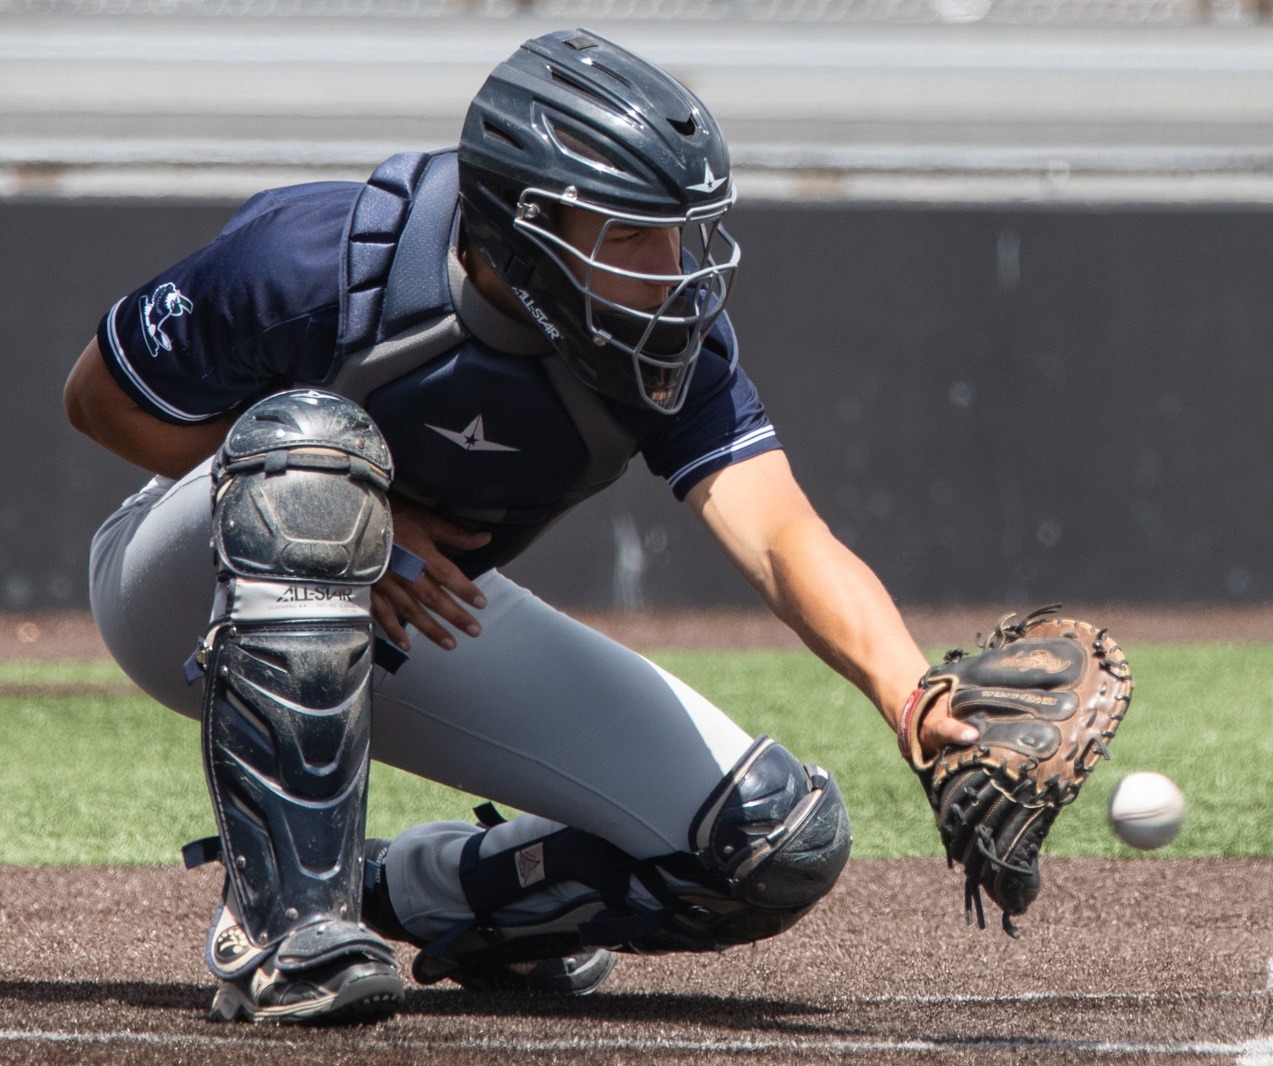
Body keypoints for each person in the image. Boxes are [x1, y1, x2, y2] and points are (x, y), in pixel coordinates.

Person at [64, 28, 976, 1026]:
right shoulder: (319, 255)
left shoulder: (667, 341)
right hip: (199, 590)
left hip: (427, 613)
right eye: (630, 235)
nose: (671, 268)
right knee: (315, 461)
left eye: (679, 232)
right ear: (522, 226)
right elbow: (99, 400)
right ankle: (281, 927)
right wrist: (358, 515)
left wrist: (915, 701)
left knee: (767, 840)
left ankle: (420, 895)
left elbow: (781, 536)